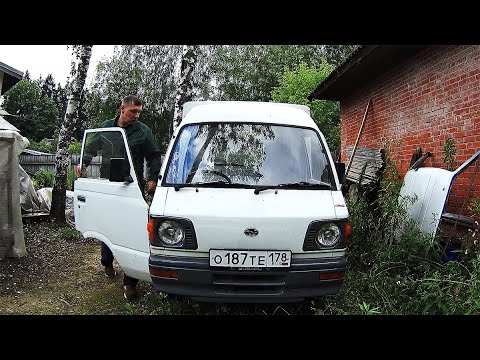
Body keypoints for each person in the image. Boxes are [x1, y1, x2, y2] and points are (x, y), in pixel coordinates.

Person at [76, 95, 161, 300]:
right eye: (133, 111)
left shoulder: (143, 131)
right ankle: (106, 260)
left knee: (133, 231)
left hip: (132, 187)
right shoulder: (106, 128)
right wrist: (83, 164)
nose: (137, 115)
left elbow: (154, 155)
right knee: (109, 226)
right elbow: (90, 149)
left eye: (139, 112)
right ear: (122, 108)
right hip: (109, 186)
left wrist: (152, 178)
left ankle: (130, 282)